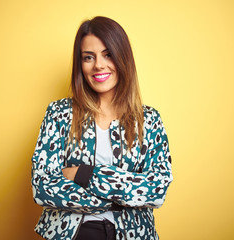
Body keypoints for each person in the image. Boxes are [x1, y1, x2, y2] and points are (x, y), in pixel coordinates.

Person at [31, 16, 173, 240]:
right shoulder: (59, 114)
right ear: (81, 64)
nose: (98, 64)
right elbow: (42, 186)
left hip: (134, 234)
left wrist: (83, 174)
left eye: (108, 55)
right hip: (74, 233)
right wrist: (125, 196)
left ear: (123, 58)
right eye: (89, 57)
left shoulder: (149, 120)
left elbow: (157, 188)